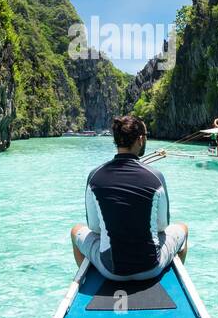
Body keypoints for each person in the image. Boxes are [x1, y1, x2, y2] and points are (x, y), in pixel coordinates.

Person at [70, 115, 188, 280]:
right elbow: (163, 226)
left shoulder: (95, 176)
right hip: (151, 268)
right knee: (183, 228)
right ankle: (172, 279)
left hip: (111, 270)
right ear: (140, 139)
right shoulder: (155, 176)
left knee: (75, 231)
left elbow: (94, 227)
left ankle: (91, 279)